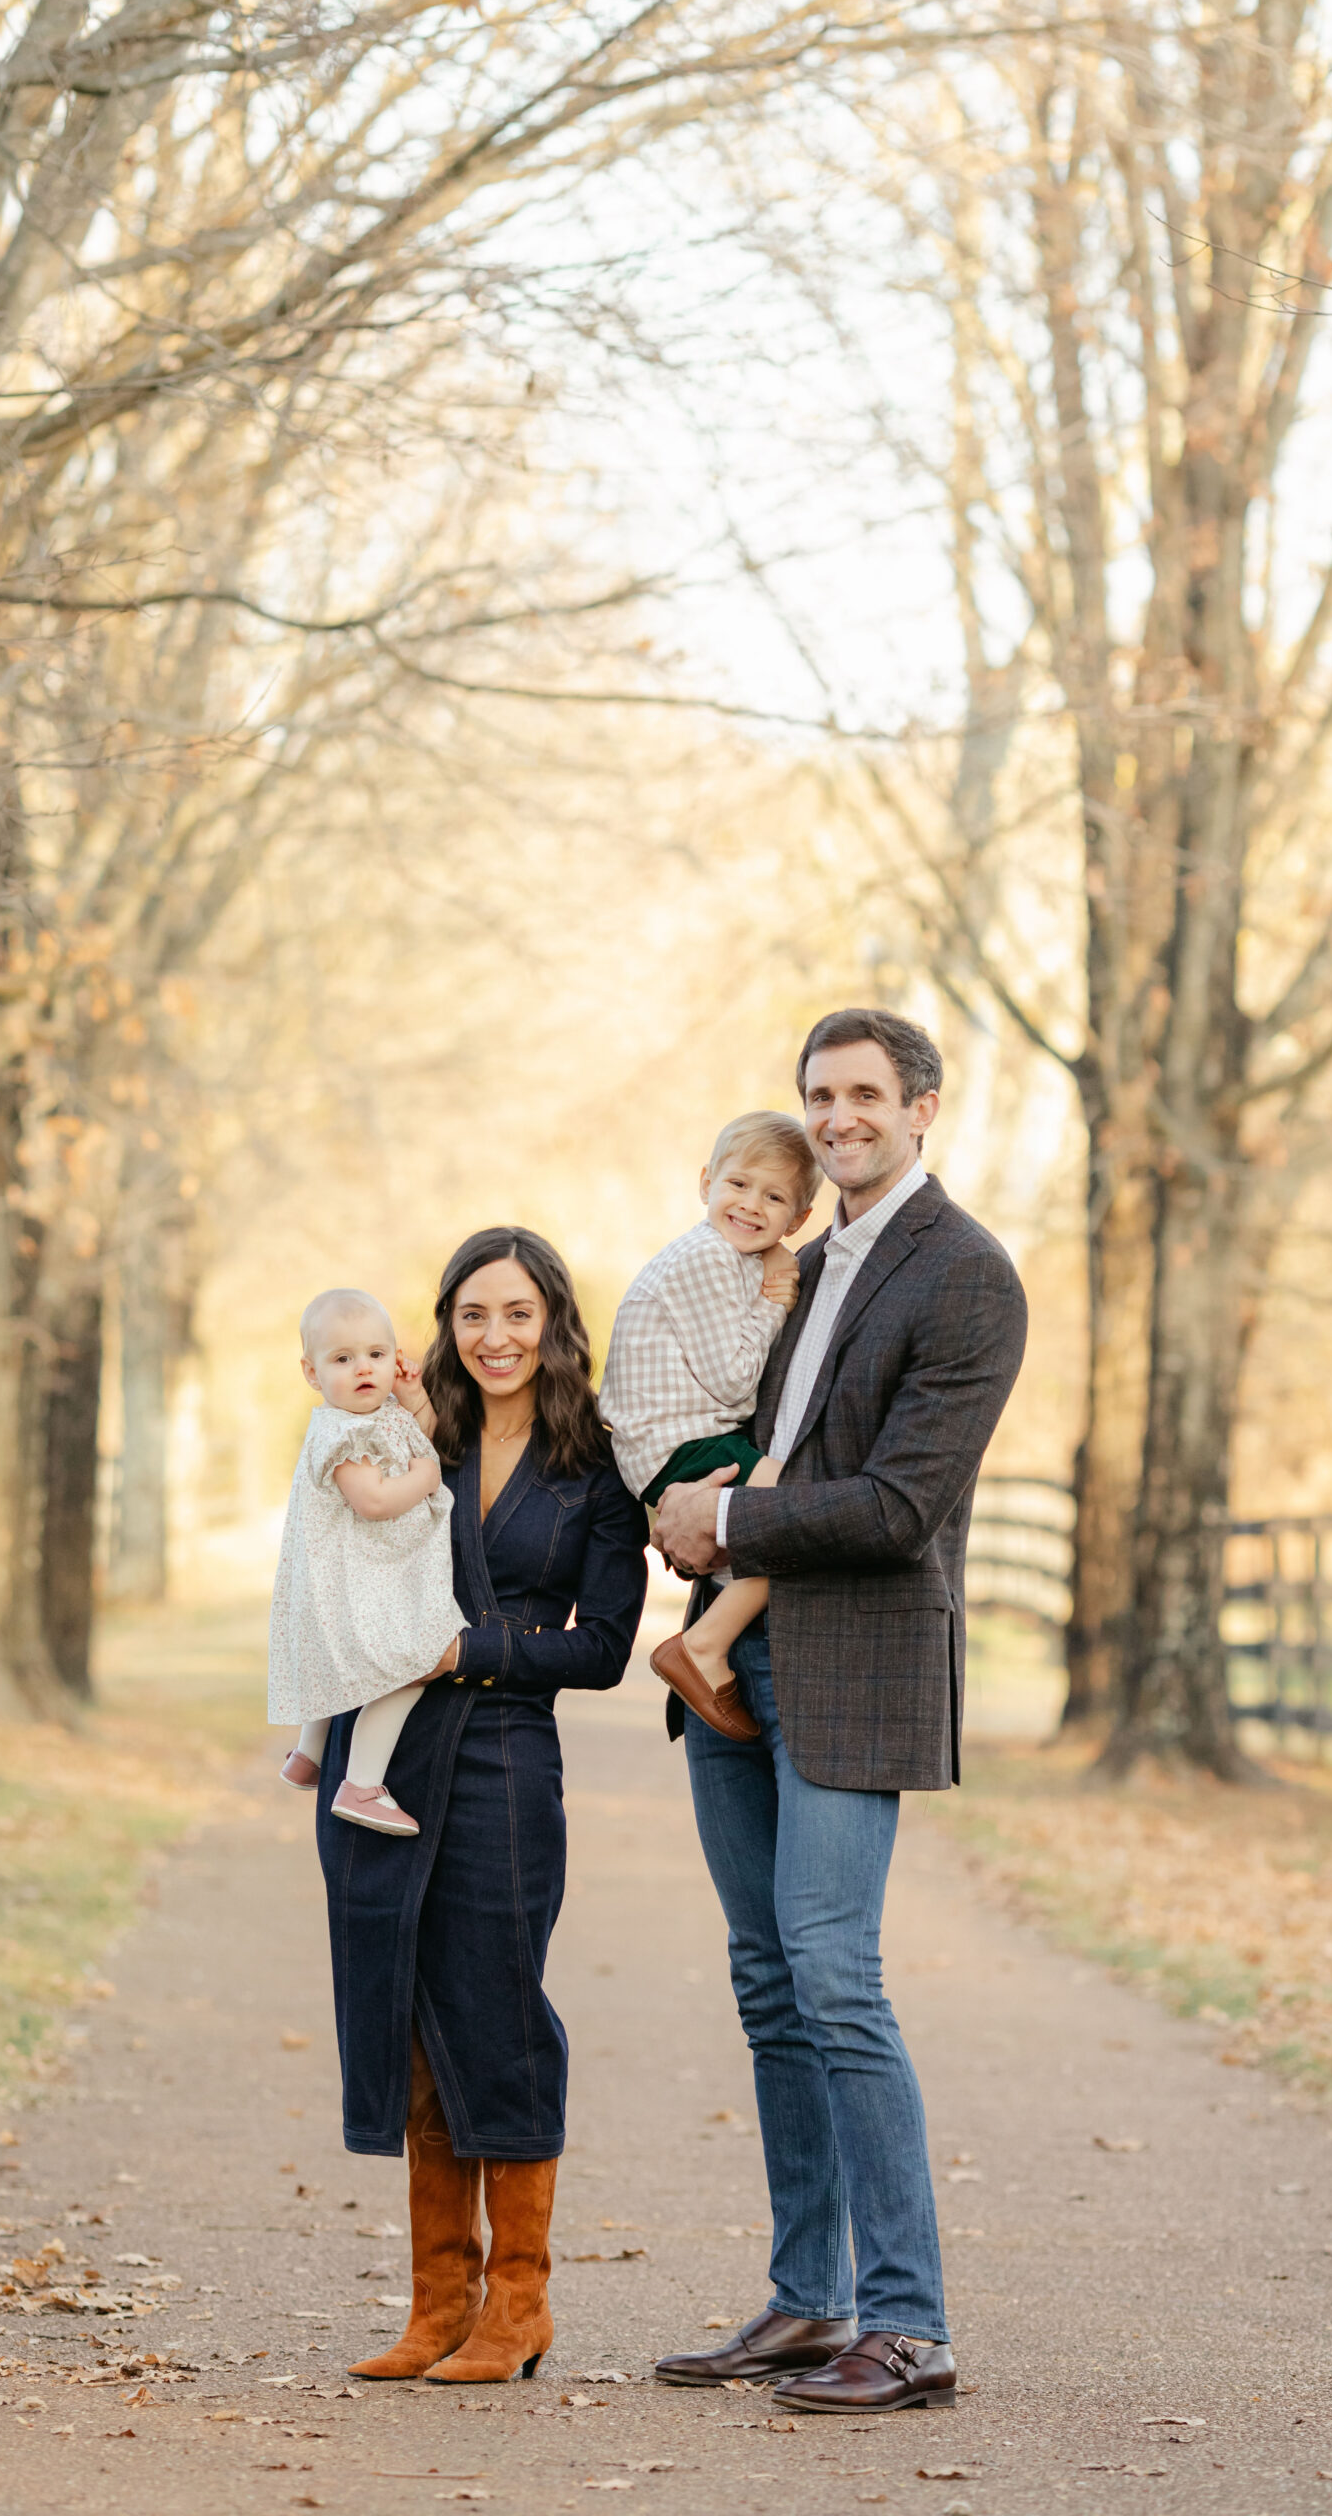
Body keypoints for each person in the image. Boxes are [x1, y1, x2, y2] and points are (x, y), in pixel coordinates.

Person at [649, 1009, 1027, 2417]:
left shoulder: (967, 1277)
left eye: (863, 1093)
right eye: (818, 1094)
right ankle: (808, 2302)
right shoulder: (790, 1269)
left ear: (921, 1106)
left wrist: (728, 1512)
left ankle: (908, 2320)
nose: (836, 1114)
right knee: (766, 1983)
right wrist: (679, 1507)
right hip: (734, 1661)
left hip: (857, 1663)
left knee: (833, 1975)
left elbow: (896, 1506)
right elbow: (726, 1432)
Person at [315, 1227, 646, 2387]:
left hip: (506, 1753)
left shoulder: (597, 1464)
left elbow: (603, 1647)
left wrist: (469, 1649)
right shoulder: (412, 1436)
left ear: (553, 1320)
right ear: (444, 1324)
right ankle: (436, 2303)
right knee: (407, 2018)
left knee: (494, 2011)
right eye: (471, 1314)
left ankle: (521, 2304)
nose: (494, 1337)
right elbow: (335, 1552)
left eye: (516, 1313)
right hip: (386, 1752)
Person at [598, 1111, 817, 1741]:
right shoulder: (707, 1260)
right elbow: (733, 1379)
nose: (751, 1206)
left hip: (683, 1438)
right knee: (800, 1506)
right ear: (705, 1183)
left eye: (774, 1197)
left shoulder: (731, 1258)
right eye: (738, 1185)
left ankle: (716, 1639)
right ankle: (703, 1646)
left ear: (797, 1220)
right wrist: (778, 1306)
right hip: (673, 1443)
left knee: (783, 1521)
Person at [268, 1288, 466, 1834]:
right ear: (311, 1372)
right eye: (343, 1359)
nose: (364, 1369)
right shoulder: (342, 1431)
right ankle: (361, 1784)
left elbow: (424, 1438)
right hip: (357, 1581)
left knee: (337, 1660)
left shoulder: (383, 1415)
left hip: (357, 1577)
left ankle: (309, 1752)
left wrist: (414, 1391)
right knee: (409, 1667)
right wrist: (426, 1481)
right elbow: (374, 1501)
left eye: (377, 1355)